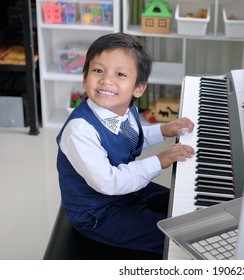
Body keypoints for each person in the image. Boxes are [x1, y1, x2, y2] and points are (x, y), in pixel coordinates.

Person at [56, 32, 195, 256]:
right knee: (177, 238)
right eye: (98, 70)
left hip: (126, 190)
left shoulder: (124, 109)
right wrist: (160, 160)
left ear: (138, 89)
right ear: (85, 78)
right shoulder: (79, 131)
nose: (106, 80)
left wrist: (162, 130)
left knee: (186, 208)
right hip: (98, 213)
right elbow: (109, 183)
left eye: (120, 74)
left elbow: (128, 137)